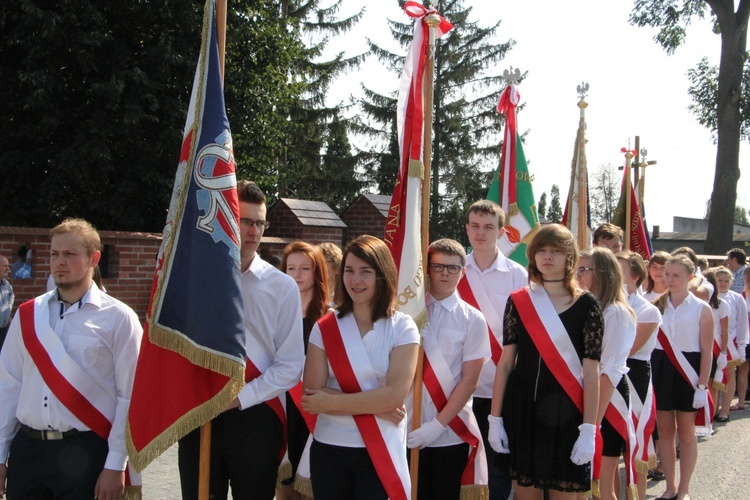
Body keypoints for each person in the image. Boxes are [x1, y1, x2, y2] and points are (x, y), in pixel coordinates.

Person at [178, 181, 305, 500]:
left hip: (255, 417)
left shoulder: (282, 287)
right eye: (245, 220)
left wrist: (238, 398)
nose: (253, 230)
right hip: (199, 413)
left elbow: (291, 366)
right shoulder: (195, 279)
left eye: (259, 222)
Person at [0, 218, 143, 499]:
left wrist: (115, 465)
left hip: (86, 453)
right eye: (54, 254)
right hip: (28, 451)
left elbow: (130, 397)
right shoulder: (28, 315)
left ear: (94, 258)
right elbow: (8, 387)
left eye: (70, 254)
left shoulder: (119, 318)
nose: (59, 262)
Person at [489, 224, 604, 499]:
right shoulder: (519, 301)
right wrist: (495, 418)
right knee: (525, 493)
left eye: (555, 250)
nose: (547, 256)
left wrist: (589, 428)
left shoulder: (588, 305)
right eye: (541, 250)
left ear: (570, 257)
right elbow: (506, 364)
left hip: (567, 413)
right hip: (523, 410)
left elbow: (592, 372)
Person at [301, 235, 419, 499]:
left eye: (365, 272)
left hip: (380, 451)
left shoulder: (402, 327)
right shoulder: (325, 327)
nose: (355, 280)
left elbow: (395, 396)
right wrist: (377, 408)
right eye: (350, 271)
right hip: (329, 449)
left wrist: (331, 401)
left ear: (383, 275)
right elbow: (311, 395)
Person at [406, 239, 490, 499]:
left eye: (452, 268)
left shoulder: (473, 319)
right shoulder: (407, 312)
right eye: (438, 266)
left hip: (451, 430)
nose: (444, 273)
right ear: (427, 269)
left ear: (463, 272)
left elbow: (470, 380)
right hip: (408, 424)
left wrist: (437, 426)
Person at [458, 200, 527, 500]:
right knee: (462, 462)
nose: (480, 233)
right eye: (474, 225)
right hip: (459, 387)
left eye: (488, 227)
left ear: (501, 231)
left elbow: (525, 332)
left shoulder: (517, 274)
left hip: (501, 386)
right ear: (466, 229)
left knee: (498, 467)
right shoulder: (453, 269)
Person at [651, 255, 714, 500]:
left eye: (676, 275)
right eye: (667, 274)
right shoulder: (657, 305)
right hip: (661, 368)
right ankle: (670, 487)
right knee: (664, 432)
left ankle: (685, 488)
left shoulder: (702, 308)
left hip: (689, 370)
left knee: (686, 433)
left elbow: (706, 350)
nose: (669, 279)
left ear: (690, 278)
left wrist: (702, 385)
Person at [577, 247, 636, 500]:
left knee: (602, 485)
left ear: (601, 273)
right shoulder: (588, 307)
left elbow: (610, 371)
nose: (577, 275)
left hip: (607, 401)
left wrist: (593, 424)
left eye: (583, 270)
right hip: (589, 397)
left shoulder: (616, 313)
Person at [277, 241, 330, 500]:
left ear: (317, 272)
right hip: (282, 406)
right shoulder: (273, 314)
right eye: (291, 268)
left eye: (304, 268)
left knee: (311, 488)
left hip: (314, 410)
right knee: (284, 486)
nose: (297, 274)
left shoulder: (331, 318)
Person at [616, 250, 662, 497]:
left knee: (635, 443)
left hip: (634, 375)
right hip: (609, 374)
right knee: (611, 444)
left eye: (619, 268)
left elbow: (626, 349)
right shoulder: (602, 303)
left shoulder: (648, 310)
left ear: (635, 275)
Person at [712, 266, 748, 421]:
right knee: (713, 376)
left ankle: (724, 411)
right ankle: (713, 410)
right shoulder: (709, 296)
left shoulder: (737, 298)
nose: (723, 283)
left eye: (726, 281)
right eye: (719, 280)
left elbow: (742, 323)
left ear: (731, 282)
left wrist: (741, 346)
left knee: (729, 374)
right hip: (712, 340)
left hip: (730, 341)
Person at [700, 269, 730, 421]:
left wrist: (724, 352)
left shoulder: (721, 304)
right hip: (696, 347)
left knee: (711, 384)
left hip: (714, 348)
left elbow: (725, 330)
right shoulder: (694, 303)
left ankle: (709, 419)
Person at [0, 256, 13, 349]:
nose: (8, 269)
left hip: (4, 332)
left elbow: (7, 308)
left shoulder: (7, 286)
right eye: (5, 266)